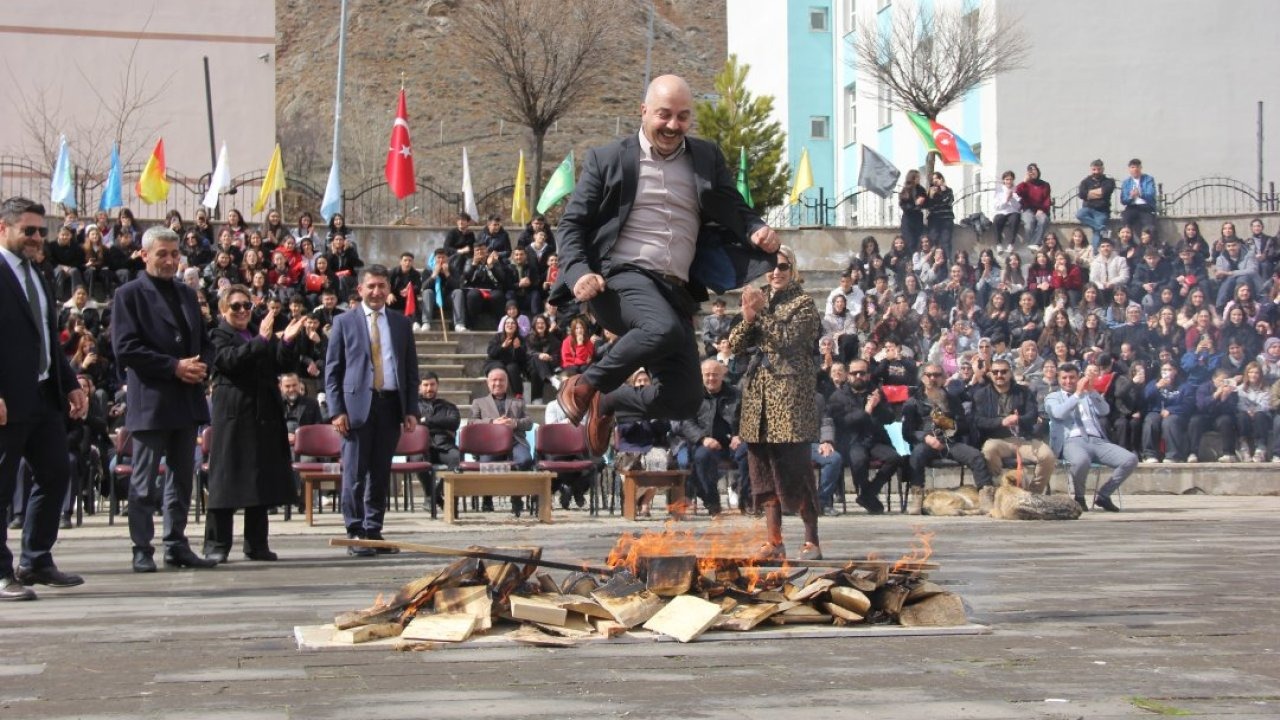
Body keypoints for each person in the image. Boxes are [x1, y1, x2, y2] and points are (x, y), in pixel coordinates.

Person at [551, 74, 779, 457]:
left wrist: (756, 228)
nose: (673, 125)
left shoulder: (705, 157)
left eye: (683, 116)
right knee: (662, 328)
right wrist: (578, 273)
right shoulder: (608, 159)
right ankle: (583, 385)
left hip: (674, 290)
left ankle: (609, 402)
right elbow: (571, 224)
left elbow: (731, 204)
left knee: (685, 399)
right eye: (664, 115)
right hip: (619, 279)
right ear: (643, 111)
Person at [111, 226, 216, 572]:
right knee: (143, 482)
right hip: (152, 401)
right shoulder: (129, 294)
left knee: (181, 479)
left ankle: (176, 544)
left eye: (174, 254)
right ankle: (142, 548)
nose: (170, 261)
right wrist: (174, 367)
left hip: (186, 399)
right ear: (145, 255)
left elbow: (204, 342)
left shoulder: (186, 293)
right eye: (162, 254)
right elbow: (126, 348)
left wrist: (201, 366)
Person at [0, 197, 89, 599]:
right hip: (7, 401)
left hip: (42, 397)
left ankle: (35, 559)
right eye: (29, 230)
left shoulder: (37, 273)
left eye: (41, 231)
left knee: (55, 472)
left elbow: (46, 339)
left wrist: (69, 382)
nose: (38, 237)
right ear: (4, 228)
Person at [727, 246, 822, 560]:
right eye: (770, 267)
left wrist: (761, 313)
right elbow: (736, 344)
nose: (776, 272)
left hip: (790, 397)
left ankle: (811, 540)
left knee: (796, 469)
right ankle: (774, 541)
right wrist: (748, 317)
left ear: (792, 269)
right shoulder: (761, 299)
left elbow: (787, 340)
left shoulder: (804, 304)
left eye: (782, 266)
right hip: (759, 398)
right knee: (762, 471)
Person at [202, 285, 303, 563]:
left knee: (260, 479)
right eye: (235, 306)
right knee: (225, 479)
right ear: (223, 309)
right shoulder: (218, 334)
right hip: (234, 416)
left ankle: (257, 544)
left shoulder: (259, 331)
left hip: (263, 414)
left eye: (247, 305)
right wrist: (261, 340)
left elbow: (280, 364)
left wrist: (287, 342)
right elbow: (229, 361)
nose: (243, 311)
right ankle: (217, 544)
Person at [324, 265, 420, 556]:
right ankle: (355, 532)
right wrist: (336, 411)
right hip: (355, 409)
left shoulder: (401, 323)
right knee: (354, 473)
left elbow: (410, 370)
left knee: (380, 472)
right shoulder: (344, 322)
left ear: (389, 289)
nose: (376, 292)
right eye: (371, 286)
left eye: (381, 286)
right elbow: (332, 371)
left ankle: (373, 529)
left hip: (390, 405)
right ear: (360, 289)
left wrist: (411, 409)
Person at [901, 363, 993, 515]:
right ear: (923, 378)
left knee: (976, 456)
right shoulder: (913, 401)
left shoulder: (952, 400)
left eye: (937, 375)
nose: (933, 378)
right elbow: (907, 432)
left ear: (943, 378)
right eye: (929, 375)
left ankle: (986, 499)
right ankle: (917, 499)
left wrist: (948, 423)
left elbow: (965, 426)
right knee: (916, 456)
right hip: (927, 443)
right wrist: (926, 437)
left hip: (949, 442)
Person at [1046, 362, 1136, 512]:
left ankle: (1104, 495)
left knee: (1130, 459)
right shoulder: (1053, 397)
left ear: (1078, 378)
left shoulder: (1087, 395)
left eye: (1072, 377)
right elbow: (1059, 414)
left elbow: (1104, 410)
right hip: (1071, 441)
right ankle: (1079, 497)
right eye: (1064, 378)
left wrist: (1092, 391)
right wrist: (1076, 395)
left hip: (1096, 440)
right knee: (1081, 461)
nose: (1068, 381)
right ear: (1059, 379)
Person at [828, 358, 901, 514]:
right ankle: (867, 495)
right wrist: (866, 411)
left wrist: (878, 406)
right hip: (852, 441)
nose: (858, 376)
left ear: (868, 375)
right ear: (848, 375)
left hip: (874, 439)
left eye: (862, 373)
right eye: (854, 373)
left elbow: (890, 418)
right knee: (859, 460)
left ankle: (868, 493)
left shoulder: (877, 393)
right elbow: (842, 422)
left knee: (894, 458)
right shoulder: (838, 396)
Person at [973, 358, 1056, 493]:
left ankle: (1034, 493)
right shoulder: (981, 394)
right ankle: (1000, 490)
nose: (999, 375)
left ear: (1010, 373)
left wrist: (1019, 419)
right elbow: (977, 420)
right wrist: (1001, 422)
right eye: (995, 372)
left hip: (1023, 439)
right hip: (997, 440)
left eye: (1003, 371)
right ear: (990, 374)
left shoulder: (1023, 391)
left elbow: (1033, 415)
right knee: (988, 450)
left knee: (1047, 456)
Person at [675, 359, 746, 517]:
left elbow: (748, 419)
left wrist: (740, 435)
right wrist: (703, 438)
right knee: (702, 456)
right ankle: (712, 503)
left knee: (750, 453)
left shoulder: (736, 394)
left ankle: (747, 501)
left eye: (715, 374)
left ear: (722, 375)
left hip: (734, 443)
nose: (711, 378)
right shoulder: (692, 396)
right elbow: (686, 422)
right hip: (706, 444)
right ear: (701, 376)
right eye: (707, 375)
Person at [469, 367, 535, 516]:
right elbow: (472, 422)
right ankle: (487, 498)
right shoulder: (479, 402)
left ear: (507, 382)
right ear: (488, 383)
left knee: (525, 460)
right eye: (494, 380)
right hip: (490, 444)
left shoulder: (518, 402)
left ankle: (516, 497)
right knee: (486, 464)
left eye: (501, 380)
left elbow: (529, 422)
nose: (498, 383)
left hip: (514, 441)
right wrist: (492, 422)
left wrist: (514, 423)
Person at [416, 372, 460, 509]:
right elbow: (413, 424)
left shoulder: (448, 406)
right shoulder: (412, 406)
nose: (429, 388)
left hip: (444, 447)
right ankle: (433, 497)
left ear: (437, 385)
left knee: (457, 457)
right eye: (426, 385)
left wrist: (427, 421)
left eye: (432, 384)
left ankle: (433, 496)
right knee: (416, 459)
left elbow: (453, 422)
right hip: (421, 448)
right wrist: (441, 424)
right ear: (419, 387)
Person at [1076, 159, 1116, 250]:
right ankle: (1102, 228)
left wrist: (1089, 194)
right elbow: (1081, 194)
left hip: (1102, 211)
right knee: (1079, 214)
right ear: (1091, 170)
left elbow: (1105, 192)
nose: (1096, 172)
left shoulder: (1109, 181)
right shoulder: (1085, 181)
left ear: (1103, 169)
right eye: (1094, 169)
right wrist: (1098, 193)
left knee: (1097, 232)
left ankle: (1095, 253)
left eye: (1098, 169)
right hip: (1088, 209)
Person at [1016, 163, 1052, 250]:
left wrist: (1042, 209)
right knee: (1029, 223)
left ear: (1038, 171)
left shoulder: (1045, 185)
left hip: (1041, 209)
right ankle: (1032, 245)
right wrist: (1024, 181)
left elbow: (1047, 199)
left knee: (1043, 220)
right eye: (1030, 170)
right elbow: (1018, 192)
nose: (1032, 172)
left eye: (1034, 170)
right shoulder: (1025, 184)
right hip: (1027, 209)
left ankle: (1035, 243)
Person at [1119, 159, 1157, 239]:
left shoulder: (1148, 179)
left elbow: (1151, 194)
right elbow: (1123, 200)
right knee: (1125, 222)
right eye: (1133, 167)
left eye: (1137, 167)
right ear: (1129, 169)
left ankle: (1150, 243)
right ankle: (1128, 242)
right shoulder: (1126, 182)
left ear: (1140, 168)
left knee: (1149, 227)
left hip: (1145, 206)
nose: (1135, 169)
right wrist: (1131, 197)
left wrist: (1140, 194)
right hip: (1132, 206)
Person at [991, 171, 1021, 254]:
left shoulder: (1016, 190)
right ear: (1003, 180)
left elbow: (1018, 206)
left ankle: (1011, 244)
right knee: (997, 220)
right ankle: (998, 244)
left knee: (1015, 219)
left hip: (1013, 212)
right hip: (1002, 212)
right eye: (1007, 179)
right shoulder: (999, 191)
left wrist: (1012, 199)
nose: (1009, 181)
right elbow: (997, 206)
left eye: (1011, 179)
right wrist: (1006, 200)